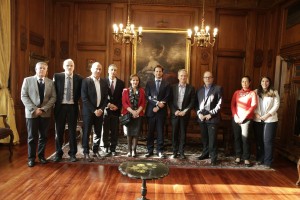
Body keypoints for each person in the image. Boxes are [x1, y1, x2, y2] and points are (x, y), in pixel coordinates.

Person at [21, 62, 56, 167]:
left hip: (45, 113)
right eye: (40, 68)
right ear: (35, 69)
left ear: (46, 70)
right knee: (32, 137)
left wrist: (44, 109)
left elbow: (53, 97)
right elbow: (24, 96)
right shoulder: (27, 80)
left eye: (44, 68)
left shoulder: (51, 82)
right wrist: (34, 109)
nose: (41, 70)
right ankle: (31, 158)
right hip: (32, 113)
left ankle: (41, 156)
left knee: (44, 137)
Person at [53, 59, 83, 162]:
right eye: (67, 65)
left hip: (72, 107)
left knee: (72, 132)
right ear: (63, 66)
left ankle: (72, 154)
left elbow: (80, 93)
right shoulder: (57, 76)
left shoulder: (79, 78)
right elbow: (54, 91)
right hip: (60, 107)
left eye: (71, 65)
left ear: (74, 66)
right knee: (59, 131)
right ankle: (58, 154)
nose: (69, 67)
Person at [81, 62, 108, 161]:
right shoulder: (86, 81)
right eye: (96, 68)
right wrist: (94, 110)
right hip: (88, 112)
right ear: (91, 69)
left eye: (100, 69)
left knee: (98, 132)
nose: (98, 71)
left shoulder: (104, 82)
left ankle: (95, 151)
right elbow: (84, 98)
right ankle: (86, 152)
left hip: (100, 111)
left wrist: (101, 109)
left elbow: (106, 98)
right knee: (87, 132)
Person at [195, 71, 223, 165]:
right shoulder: (199, 90)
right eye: (205, 77)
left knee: (212, 139)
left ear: (212, 78)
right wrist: (199, 113)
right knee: (204, 138)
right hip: (202, 118)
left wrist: (210, 114)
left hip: (212, 118)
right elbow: (196, 104)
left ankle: (214, 157)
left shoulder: (218, 89)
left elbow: (219, 105)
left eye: (209, 77)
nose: (207, 79)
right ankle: (205, 153)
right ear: (203, 79)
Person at [253, 77, 280, 169]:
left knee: (267, 140)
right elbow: (251, 103)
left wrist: (267, 115)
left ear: (270, 82)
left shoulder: (274, 92)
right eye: (263, 81)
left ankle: (268, 162)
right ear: (260, 82)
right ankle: (261, 158)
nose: (265, 83)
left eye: (267, 81)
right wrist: (255, 113)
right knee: (259, 140)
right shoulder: (255, 92)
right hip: (258, 119)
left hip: (270, 119)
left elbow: (277, 105)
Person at [231, 76, 257, 167]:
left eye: (246, 81)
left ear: (249, 82)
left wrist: (243, 117)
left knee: (245, 139)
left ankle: (246, 158)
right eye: (242, 81)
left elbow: (253, 106)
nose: (244, 83)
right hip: (236, 119)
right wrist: (235, 116)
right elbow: (233, 105)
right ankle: (238, 156)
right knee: (237, 137)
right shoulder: (236, 92)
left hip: (246, 119)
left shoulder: (252, 93)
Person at [145, 65, 170, 158]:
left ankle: (160, 151)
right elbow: (148, 96)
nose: (158, 73)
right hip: (151, 110)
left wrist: (159, 107)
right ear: (154, 72)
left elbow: (167, 97)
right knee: (150, 132)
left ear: (162, 73)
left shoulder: (167, 84)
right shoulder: (149, 83)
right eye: (156, 71)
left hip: (161, 111)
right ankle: (149, 150)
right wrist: (156, 104)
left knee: (160, 132)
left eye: (160, 71)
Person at [169, 69, 195, 159]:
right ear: (178, 77)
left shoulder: (191, 88)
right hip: (175, 114)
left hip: (185, 114)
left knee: (183, 134)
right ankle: (174, 151)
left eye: (185, 76)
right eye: (181, 76)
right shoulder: (172, 87)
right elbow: (170, 101)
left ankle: (182, 152)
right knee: (174, 133)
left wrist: (185, 111)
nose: (183, 77)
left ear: (187, 77)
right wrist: (174, 111)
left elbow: (192, 102)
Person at [121, 74, 146, 157]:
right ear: (130, 81)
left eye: (137, 80)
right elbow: (124, 103)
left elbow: (143, 103)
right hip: (128, 114)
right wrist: (132, 112)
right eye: (134, 80)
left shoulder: (142, 91)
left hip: (139, 114)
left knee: (136, 133)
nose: (135, 82)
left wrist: (137, 112)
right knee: (129, 133)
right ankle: (129, 151)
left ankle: (134, 151)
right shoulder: (125, 90)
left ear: (139, 81)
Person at [103, 64, 125, 156]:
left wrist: (117, 106)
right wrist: (108, 104)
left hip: (116, 110)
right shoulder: (103, 81)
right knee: (106, 130)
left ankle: (113, 148)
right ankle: (106, 147)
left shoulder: (121, 83)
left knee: (114, 131)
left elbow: (122, 97)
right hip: (106, 109)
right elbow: (101, 96)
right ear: (108, 71)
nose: (113, 71)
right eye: (111, 70)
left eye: (115, 70)